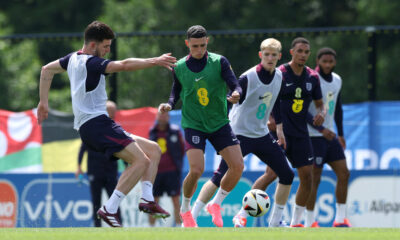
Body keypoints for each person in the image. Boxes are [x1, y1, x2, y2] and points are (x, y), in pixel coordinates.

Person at [37, 21, 177, 227]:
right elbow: (125, 65)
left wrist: (43, 102)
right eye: (106, 46)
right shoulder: (92, 63)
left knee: (153, 150)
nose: (108, 50)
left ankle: (147, 199)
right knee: (141, 161)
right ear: (93, 45)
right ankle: (109, 209)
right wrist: (154, 61)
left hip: (95, 125)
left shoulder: (71, 59)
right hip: (96, 125)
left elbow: (46, 70)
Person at [190, 38, 294, 228]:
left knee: (287, 174)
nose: (270, 58)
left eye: (274, 55)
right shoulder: (249, 77)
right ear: (260, 55)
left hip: (261, 134)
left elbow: (276, 102)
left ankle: (275, 223)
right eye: (267, 54)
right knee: (220, 175)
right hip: (239, 134)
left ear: (279, 57)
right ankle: (192, 218)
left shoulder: (279, 76)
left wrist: (279, 129)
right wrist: (234, 97)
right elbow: (233, 94)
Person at [158, 25, 244, 228]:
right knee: (196, 170)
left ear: (208, 42)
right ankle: (185, 209)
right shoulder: (179, 67)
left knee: (238, 166)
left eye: (203, 45)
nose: (199, 49)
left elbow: (235, 84)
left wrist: (237, 93)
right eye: (195, 46)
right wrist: (169, 104)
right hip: (194, 124)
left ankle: (216, 204)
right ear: (187, 44)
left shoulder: (219, 61)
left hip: (219, 123)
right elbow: (175, 92)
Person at [273, 37, 326, 227]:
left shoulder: (312, 77)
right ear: (291, 52)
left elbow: (321, 105)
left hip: (301, 134)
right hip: (280, 133)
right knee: (271, 174)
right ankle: (242, 215)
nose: (303, 55)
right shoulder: (280, 74)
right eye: (299, 51)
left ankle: (296, 223)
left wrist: (322, 113)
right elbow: (269, 100)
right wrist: (273, 122)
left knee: (307, 176)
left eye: (306, 52)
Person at [304, 47, 350, 228]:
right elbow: (304, 112)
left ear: (335, 62)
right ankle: (309, 221)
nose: (328, 65)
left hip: (331, 136)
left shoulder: (337, 80)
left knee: (344, 174)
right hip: (314, 136)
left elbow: (337, 108)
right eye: (325, 61)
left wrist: (340, 134)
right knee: (315, 178)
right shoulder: (312, 79)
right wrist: (322, 129)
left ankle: (340, 220)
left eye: (331, 62)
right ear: (318, 62)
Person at [75, 100, 122, 227]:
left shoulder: (116, 128)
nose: (111, 114)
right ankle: (97, 228)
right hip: (95, 170)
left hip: (111, 171)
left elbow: (124, 148)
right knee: (96, 201)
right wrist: (79, 166)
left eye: (113, 112)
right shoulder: (93, 128)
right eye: (109, 111)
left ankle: (119, 226)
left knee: (115, 199)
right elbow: (83, 148)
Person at [148, 111, 185, 227]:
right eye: (160, 114)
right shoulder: (152, 131)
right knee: (153, 200)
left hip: (172, 172)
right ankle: (151, 228)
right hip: (156, 172)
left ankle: (179, 226)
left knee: (175, 200)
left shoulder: (175, 131)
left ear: (168, 117)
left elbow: (182, 149)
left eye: (165, 115)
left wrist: (177, 165)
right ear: (157, 116)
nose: (162, 117)